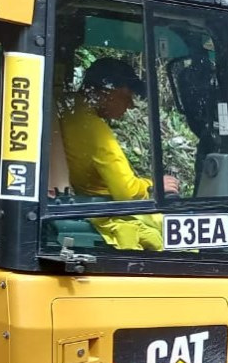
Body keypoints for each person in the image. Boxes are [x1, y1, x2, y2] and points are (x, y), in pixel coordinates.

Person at [59, 58, 179, 250]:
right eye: (128, 95)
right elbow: (127, 193)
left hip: (88, 205)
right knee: (180, 237)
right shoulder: (96, 132)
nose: (130, 105)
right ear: (110, 92)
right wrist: (154, 185)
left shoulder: (71, 112)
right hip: (106, 210)